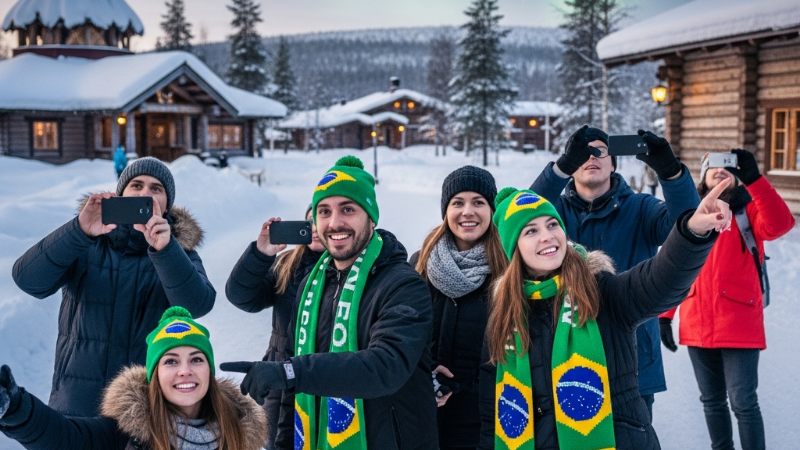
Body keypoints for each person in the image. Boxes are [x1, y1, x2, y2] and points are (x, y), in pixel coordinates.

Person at [478, 182, 731, 450]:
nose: (547, 236)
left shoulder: (602, 291)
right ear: (514, 248)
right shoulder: (504, 318)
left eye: (552, 225)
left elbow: (661, 280)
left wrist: (692, 233)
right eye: (531, 231)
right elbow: (492, 416)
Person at [221, 155, 437, 450]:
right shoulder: (312, 283)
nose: (334, 222)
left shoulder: (403, 285)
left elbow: (385, 366)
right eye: (324, 212)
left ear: (371, 217)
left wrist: (291, 372)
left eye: (347, 209)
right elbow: (296, 389)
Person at [12, 156, 216, 418]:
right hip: (77, 403)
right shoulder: (85, 243)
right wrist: (79, 230)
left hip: (146, 407)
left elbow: (197, 305)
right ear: (121, 194)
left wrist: (166, 251)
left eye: (156, 188)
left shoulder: (178, 253)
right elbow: (28, 281)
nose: (144, 194)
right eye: (136, 185)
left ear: (166, 206)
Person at [529, 125, 701, 418]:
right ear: (571, 165)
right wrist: (559, 170)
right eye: (582, 153)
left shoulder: (641, 208)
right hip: (563, 353)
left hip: (633, 357)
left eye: (601, 151)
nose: (591, 157)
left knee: (632, 436)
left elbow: (686, 223)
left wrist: (671, 172)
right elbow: (519, 219)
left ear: (613, 164)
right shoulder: (551, 215)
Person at [659, 149, 795, 450]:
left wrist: (755, 180)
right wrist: (665, 316)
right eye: (713, 166)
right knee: (711, 401)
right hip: (697, 323)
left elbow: (781, 225)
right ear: (703, 175)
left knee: (743, 402)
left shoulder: (749, 211)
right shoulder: (689, 215)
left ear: (736, 176)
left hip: (739, 323)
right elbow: (675, 266)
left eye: (727, 167)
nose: (720, 171)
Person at [0, 306, 268, 450]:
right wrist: (17, 408)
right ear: (154, 375)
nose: (185, 370)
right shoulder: (125, 435)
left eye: (196, 359)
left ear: (209, 371)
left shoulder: (239, 434)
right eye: (171, 361)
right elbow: (64, 438)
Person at [408, 165, 506, 450]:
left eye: (479, 202)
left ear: (492, 210)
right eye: (458, 203)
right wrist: (425, 372)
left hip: (483, 415)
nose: (468, 212)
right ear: (446, 211)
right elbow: (403, 330)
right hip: (425, 412)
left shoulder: (508, 267)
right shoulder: (421, 262)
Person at [225, 206, 325, 449]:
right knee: (277, 442)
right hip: (279, 378)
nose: (314, 229)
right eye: (309, 221)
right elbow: (242, 297)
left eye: (321, 219)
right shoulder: (288, 263)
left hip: (326, 377)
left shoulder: (352, 270)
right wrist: (261, 254)